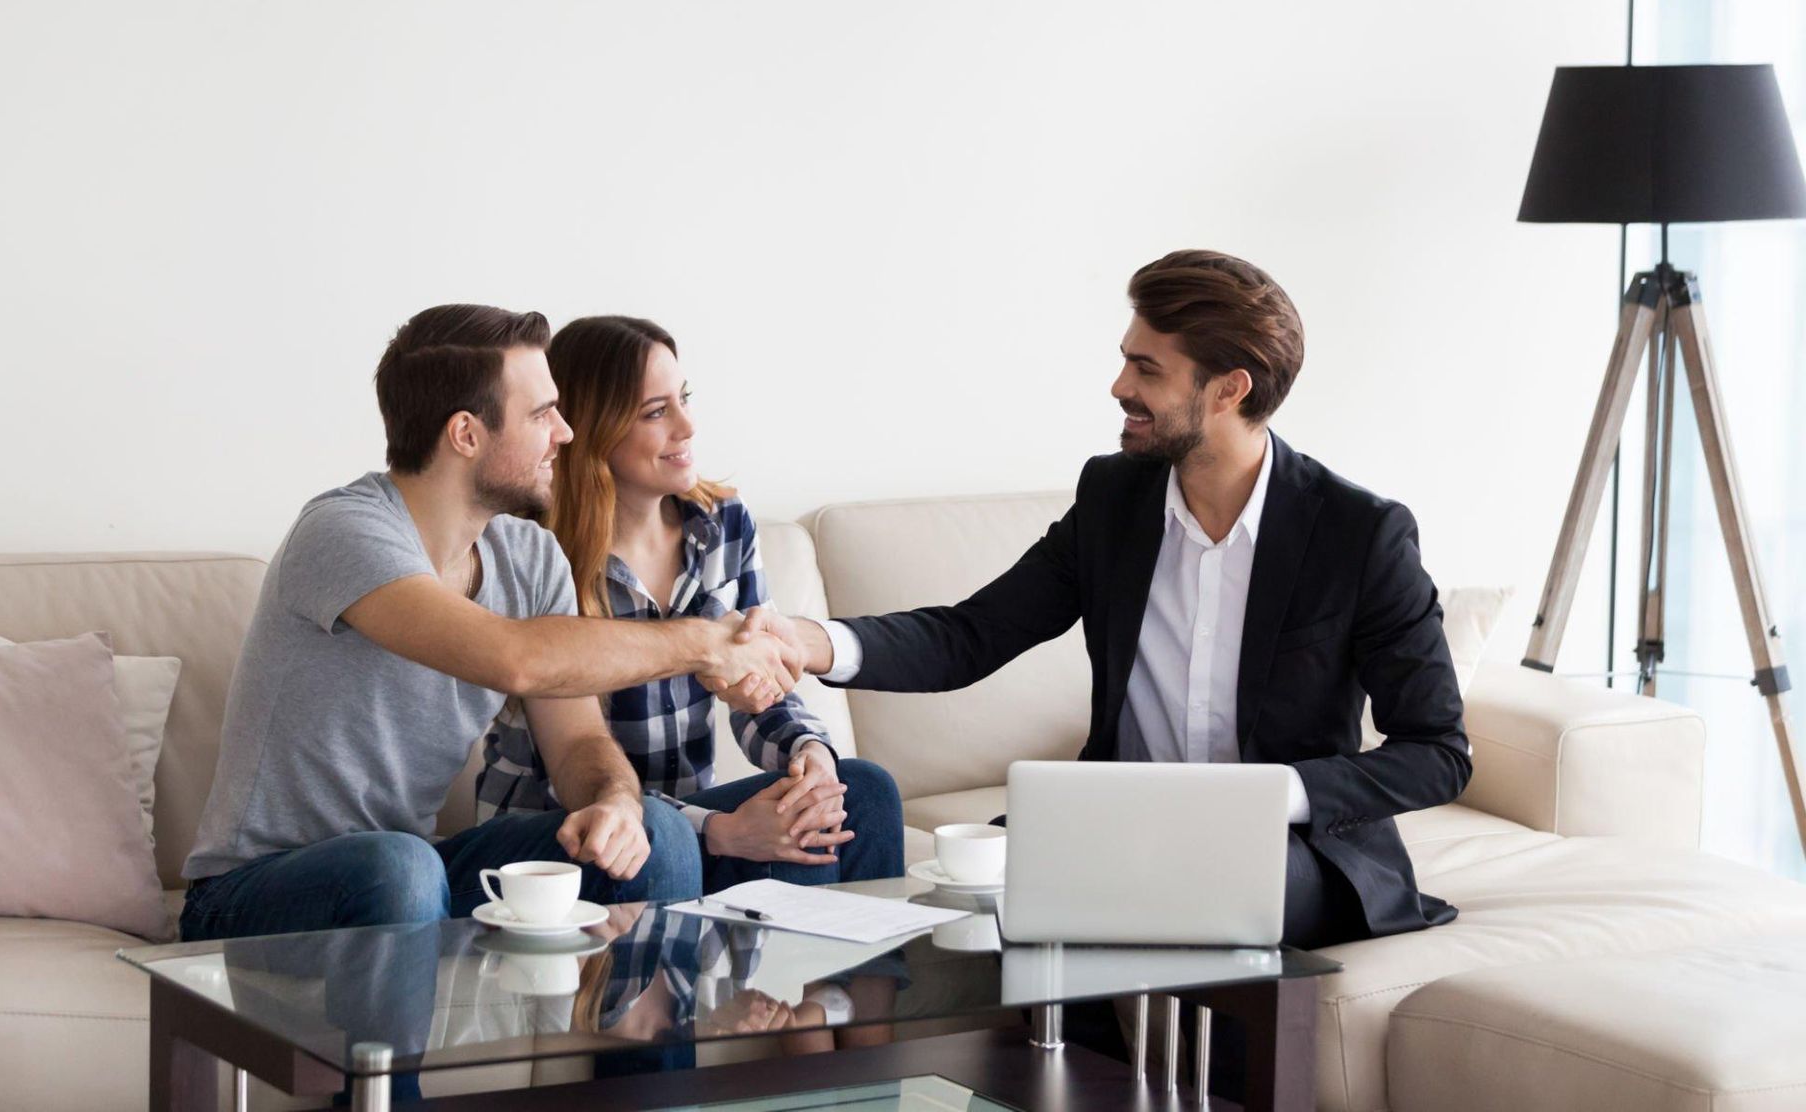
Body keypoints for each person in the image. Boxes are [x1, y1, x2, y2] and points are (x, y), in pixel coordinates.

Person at [757, 251, 1472, 952]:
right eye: (1126, 359)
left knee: (1195, 886)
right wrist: (808, 641)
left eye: (1147, 369)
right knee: (977, 890)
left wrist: (1267, 796)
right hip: (1118, 829)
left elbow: (1436, 752)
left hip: (1288, 847)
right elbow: (971, 635)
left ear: (1229, 390)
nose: (1118, 385)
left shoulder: (1358, 534)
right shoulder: (1114, 499)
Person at [181, 304, 805, 950]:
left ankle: (652, 1052)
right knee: (399, 866)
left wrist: (614, 798)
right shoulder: (345, 532)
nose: (565, 434)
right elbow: (514, 658)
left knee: (657, 831)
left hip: (415, 871)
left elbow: (576, 744)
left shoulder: (529, 556)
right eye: (541, 415)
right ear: (466, 435)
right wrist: (706, 642)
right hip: (252, 891)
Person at [478, 315, 904, 897]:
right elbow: (571, 765)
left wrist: (808, 758)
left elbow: (763, 691)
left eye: (684, 399)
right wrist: (720, 830)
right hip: (570, 832)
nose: (688, 425)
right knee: (696, 834)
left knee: (862, 794)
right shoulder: (534, 552)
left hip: (684, 817)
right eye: (656, 412)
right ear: (593, 429)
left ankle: (840, 993)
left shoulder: (723, 525)